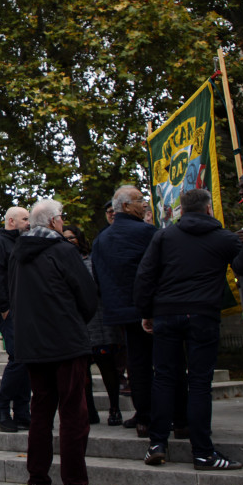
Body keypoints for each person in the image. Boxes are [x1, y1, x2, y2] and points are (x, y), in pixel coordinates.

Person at [135, 189, 243, 471]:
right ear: (209, 209)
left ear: (181, 210)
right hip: (203, 314)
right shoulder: (224, 238)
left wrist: (146, 312)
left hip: (167, 313)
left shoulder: (164, 235)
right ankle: (203, 452)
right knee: (199, 383)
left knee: (164, 378)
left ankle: (157, 443)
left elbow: (146, 274)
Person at [10, 200, 106, 485]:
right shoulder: (63, 250)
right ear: (53, 222)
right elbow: (87, 295)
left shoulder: (17, 255)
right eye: (61, 218)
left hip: (34, 346)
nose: (64, 223)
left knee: (40, 414)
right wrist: (75, 321)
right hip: (65, 342)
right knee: (73, 415)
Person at [91, 185, 161, 437]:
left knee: (137, 363)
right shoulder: (147, 233)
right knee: (162, 362)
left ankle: (143, 415)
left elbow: (97, 279)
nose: (145, 204)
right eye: (140, 200)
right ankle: (170, 415)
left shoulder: (101, 239)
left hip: (120, 312)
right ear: (126, 206)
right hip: (151, 310)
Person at [63, 225, 122, 426]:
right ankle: (89, 410)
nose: (69, 241)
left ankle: (115, 407)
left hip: (99, 321)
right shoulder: (62, 262)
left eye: (72, 238)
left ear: (79, 239)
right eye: (65, 238)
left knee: (108, 368)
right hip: (77, 325)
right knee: (82, 372)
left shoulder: (92, 259)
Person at [0, 207, 31, 433]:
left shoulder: (22, 242)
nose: (29, 222)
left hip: (25, 309)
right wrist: (5, 308)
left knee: (25, 359)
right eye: (25, 218)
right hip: (11, 311)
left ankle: (22, 410)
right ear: (11, 221)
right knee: (19, 357)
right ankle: (1, 408)